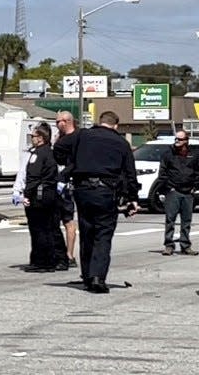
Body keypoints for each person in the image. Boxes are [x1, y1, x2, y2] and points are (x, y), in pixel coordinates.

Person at [53, 111, 140, 294]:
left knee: (87, 232)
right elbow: (130, 174)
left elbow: (59, 148)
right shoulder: (122, 143)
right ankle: (97, 277)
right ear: (115, 125)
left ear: (99, 122)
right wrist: (132, 199)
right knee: (103, 234)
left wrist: (72, 161)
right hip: (106, 191)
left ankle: (86, 276)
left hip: (82, 190)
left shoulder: (82, 135)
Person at [18, 123, 67, 272]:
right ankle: (46, 259)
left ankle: (45, 261)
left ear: (41, 138)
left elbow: (34, 177)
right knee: (47, 229)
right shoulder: (42, 153)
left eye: (33, 136)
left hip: (40, 197)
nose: (31, 139)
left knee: (41, 229)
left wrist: (26, 194)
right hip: (46, 195)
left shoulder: (41, 154)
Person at [156, 130, 199, 256]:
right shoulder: (168, 154)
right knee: (170, 220)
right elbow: (162, 173)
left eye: (180, 139)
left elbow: (197, 173)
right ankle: (169, 245)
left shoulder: (193, 155)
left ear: (186, 141)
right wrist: (166, 189)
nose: (177, 141)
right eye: (176, 139)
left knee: (186, 221)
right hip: (173, 191)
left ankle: (185, 245)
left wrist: (195, 187)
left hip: (188, 193)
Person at [53, 111, 79, 268]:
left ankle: (69, 254)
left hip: (67, 184)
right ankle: (58, 253)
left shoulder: (76, 138)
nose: (57, 125)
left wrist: (63, 178)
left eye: (58, 122)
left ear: (66, 121)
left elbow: (74, 162)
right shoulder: (59, 138)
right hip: (55, 182)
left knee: (68, 220)